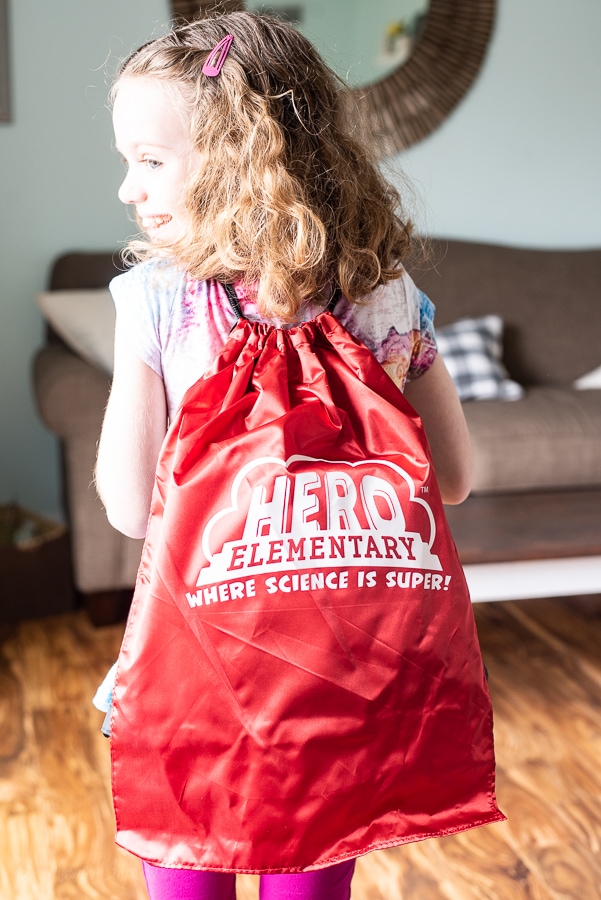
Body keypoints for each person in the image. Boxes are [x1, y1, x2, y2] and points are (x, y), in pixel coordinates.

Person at [95, 11, 476, 900]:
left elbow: (126, 506)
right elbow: (450, 481)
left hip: (193, 675)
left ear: (233, 157)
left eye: (148, 160)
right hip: (335, 691)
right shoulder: (388, 297)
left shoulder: (156, 299)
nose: (127, 188)